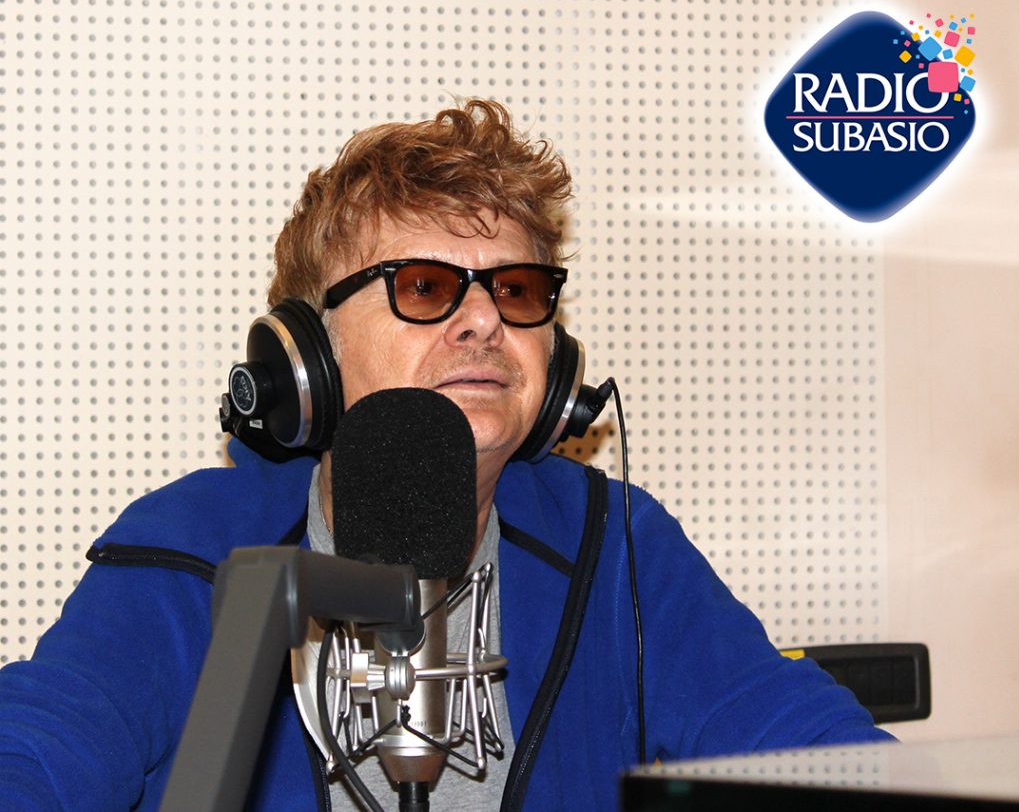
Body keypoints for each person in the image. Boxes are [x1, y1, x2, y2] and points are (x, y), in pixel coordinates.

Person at [0, 99, 892, 812]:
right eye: (425, 287)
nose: (485, 320)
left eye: (517, 288)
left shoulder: (616, 544)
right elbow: (43, 744)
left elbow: (810, 745)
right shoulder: (192, 549)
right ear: (308, 356)